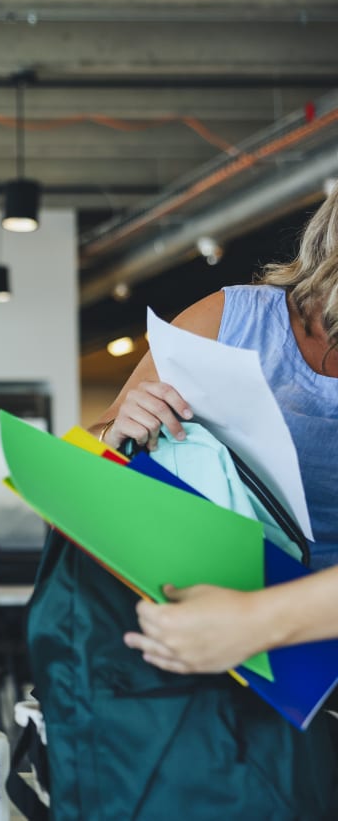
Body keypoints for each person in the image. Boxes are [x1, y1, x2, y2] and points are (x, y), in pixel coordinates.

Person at [86, 183, 338, 674]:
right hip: (201, 617)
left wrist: (256, 621)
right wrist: (115, 435)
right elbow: (86, 464)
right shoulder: (230, 321)